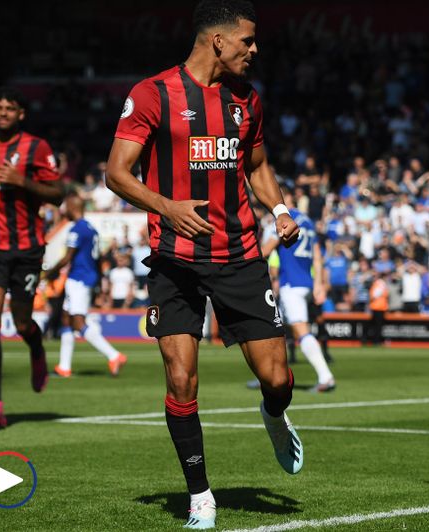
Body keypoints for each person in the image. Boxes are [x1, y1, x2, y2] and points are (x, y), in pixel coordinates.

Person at [105, 1, 303, 528]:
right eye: (248, 40)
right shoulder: (153, 93)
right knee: (181, 379)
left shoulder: (247, 99)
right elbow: (116, 173)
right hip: (174, 259)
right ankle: (200, 495)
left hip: (239, 256)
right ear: (218, 40)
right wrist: (167, 207)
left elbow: (257, 165)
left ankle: (275, 413)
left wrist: (280, 210)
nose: (254, 50)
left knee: (278, 379)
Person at [0, 87, 64, 429]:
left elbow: (58, 193)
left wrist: (22, 181)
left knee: (22, 323)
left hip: (26, 248)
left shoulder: (37, 148)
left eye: (10, 108)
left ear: (21, 114)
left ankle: (36, 347)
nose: (3, 112)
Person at [45, 193, 128, 378]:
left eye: (65, 206)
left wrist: (49, 272)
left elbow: (68, 257)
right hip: (85, 278)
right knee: (66, 319)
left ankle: (114, 356)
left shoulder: (77, 229)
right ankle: (64, 367)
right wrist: (98, 282)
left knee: (78, 322)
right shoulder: (92, 229)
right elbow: (97, 259)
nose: (63, 209)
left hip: (79, 279)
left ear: (73, 207)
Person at [271, 192, 335, 392]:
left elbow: (266, 249)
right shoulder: (307, 221)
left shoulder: (283, 220)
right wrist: (318, 283)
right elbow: (317, 255)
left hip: (291, 283)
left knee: (301, 330)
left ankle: (326, 377)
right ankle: (270, 376)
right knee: (275, 328)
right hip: (306, 282)